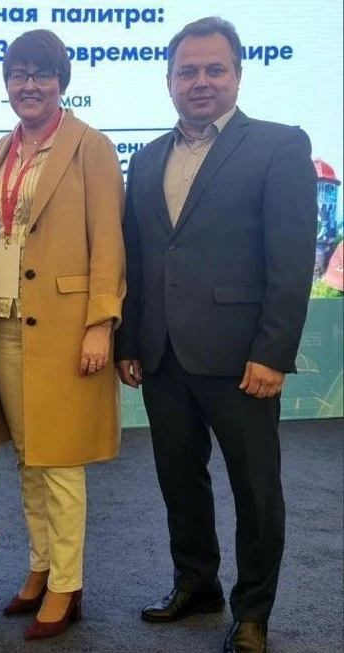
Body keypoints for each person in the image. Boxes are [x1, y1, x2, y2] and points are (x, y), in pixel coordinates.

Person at [115, 16, 316, 653]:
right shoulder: (147, 157)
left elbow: (291, 259)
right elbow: (140, 257)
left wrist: (273, 352)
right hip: (163, 354)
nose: (200, 81)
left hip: (241, 358)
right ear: (169, 80)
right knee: (180, 479)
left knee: (256, 491)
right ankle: (196, 584)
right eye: (187, 71)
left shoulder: (279, 145)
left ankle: (252, 614)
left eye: (213, 69)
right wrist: (129, 342)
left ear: (237, 75)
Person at [0, 29, 126, 641]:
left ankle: (67, 584)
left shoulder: (92, 146)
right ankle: (40, 567)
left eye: (42, 74)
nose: (29, 85)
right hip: (5, 325)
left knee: (62, 464)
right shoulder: (0, 149)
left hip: (66, 330)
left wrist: (100, 324)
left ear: (62, 82)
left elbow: (108, 242)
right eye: (18, 75)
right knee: (28, 459)